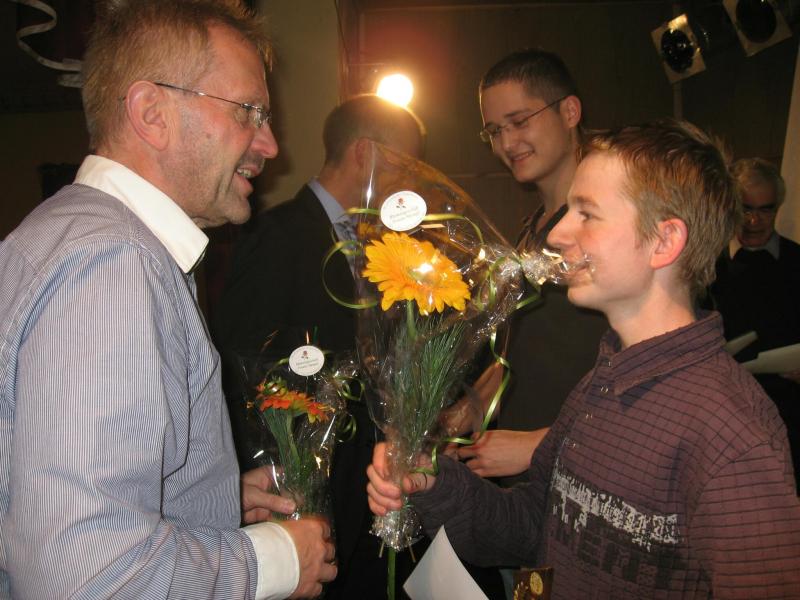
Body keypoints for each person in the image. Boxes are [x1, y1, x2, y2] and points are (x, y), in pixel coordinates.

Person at [367, 120, 800, 598]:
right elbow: (536, 528)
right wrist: (432, 481)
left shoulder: (733, 433)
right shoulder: (602, 382)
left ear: (664, 242)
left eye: (587, 214)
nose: (557, 234)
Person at [0, 1, 335, 598]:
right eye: (249, 111)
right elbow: (82, 572)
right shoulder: (113, 264)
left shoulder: (56, 235)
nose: (271, 145)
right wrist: (275, 560)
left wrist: (203, 498)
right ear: (152, 114)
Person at [212, 94, 427, 599]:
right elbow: (236, 365)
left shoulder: (379, 244)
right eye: (405, 165)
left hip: (366, 489)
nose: (411, 182)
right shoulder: (276, 234)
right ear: (364, 152)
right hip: (301, 491)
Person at [452, 49, 607, 484]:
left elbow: (642, 375)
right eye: (494, 131)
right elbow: (519, 356)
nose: (506, 144)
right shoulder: (530, 232)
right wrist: (466, 412)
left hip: (588, 475)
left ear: (569, 112)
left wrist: (541, 444)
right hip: (528, 480)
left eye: (520, 122)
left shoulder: (606, 227)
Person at [708, 157, 800, 493]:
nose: (753, 220)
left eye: (765, 210)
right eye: (745, 208)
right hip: (723, 416)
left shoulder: (798, 262)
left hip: (791, 415)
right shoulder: (706, 265)